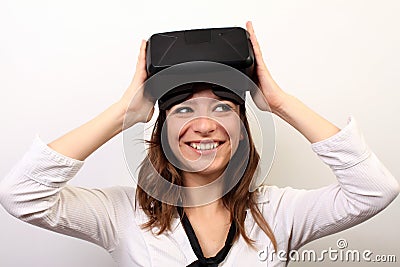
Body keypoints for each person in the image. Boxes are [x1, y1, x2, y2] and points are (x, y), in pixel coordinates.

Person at [0, 21, 398, 267]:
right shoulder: (121, 215)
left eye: (223, 108)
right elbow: (21, 196)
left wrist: (280, 104)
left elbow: (375, 190)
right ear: (162, 133)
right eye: (184, 111)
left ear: (242, 130)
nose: (205, 124)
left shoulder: (279, 213)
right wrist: (127, 111)